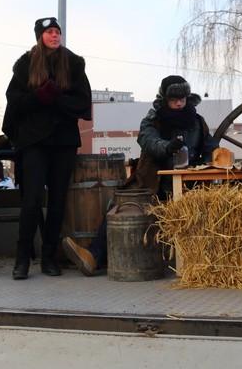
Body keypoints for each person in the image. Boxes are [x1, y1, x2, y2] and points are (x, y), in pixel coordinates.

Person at [62, 75, 219, 276]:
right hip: (153, 183)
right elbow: (148, 140)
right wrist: (168, 147)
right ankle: (93, 257)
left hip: (190, 184)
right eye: (174, 99)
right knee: (119, 207)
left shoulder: (198, 122)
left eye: (182, 98)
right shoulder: (152, 121)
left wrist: (206, 164)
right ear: (164, 100)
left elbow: (211, 147)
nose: (179, 103)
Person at [2, 17, 92, 280]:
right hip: (34, 142)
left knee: (57, 202)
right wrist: (38, 98)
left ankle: (49, 257)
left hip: (63, 141)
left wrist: (58, 99)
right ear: (39, 36)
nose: (54, 35)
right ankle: (22, 260)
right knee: (31, 200)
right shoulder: (25, 65)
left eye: (57, 32)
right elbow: (14, 103)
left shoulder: (73, 64)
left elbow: (83, 103)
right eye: (49, 32)